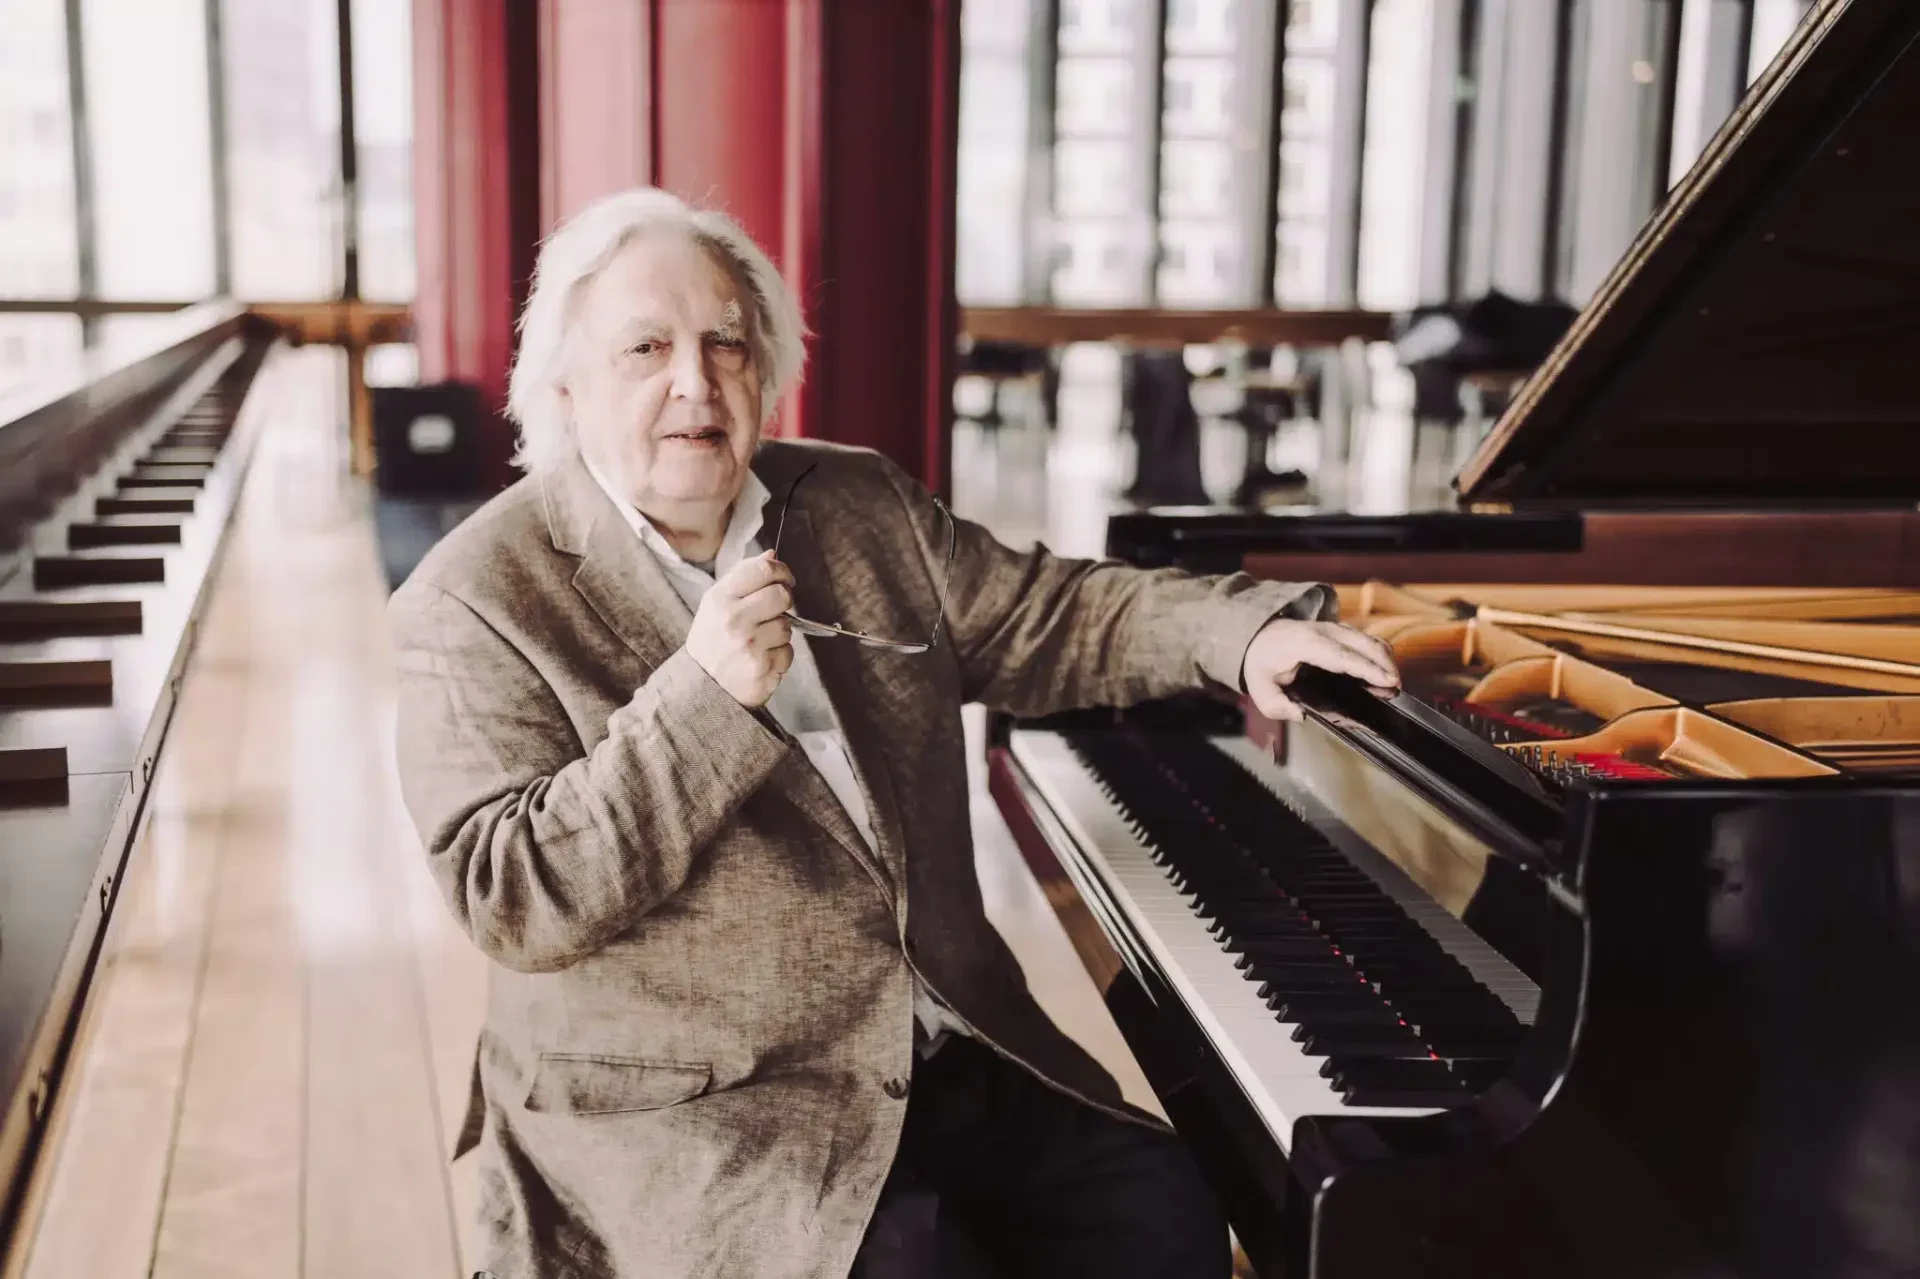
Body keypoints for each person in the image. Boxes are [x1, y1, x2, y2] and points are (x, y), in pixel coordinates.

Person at [388, 187, 1400, 1279]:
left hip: (935, 1048)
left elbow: (1048, 615)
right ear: (566, 386)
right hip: (698, 1108)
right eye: (647, 346)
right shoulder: (478, 593)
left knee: (1163, 1213)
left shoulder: (855, 505)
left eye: (727, 342)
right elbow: (515, 893)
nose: (697, 380)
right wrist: (702, 701)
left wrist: (1236, 637)